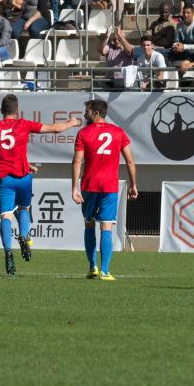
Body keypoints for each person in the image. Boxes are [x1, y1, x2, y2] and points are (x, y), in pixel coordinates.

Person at [0, 94, 80, 276]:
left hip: (3, 179)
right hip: (23, 177)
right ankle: (24, 235)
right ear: (17, 111)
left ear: (1, 111)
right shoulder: (23, 124)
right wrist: (72, 122)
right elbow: (55, 129)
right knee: (24, 209)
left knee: (6, 216)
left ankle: (8, 252)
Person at [71, 99, 137, 280]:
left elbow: (77, 161)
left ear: (96, 113)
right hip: (109, 186)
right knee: (106, 226)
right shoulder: (118, 132)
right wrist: (133, 184)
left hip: (89, 185)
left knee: (89, 224)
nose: (85, 114)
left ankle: (92, 267)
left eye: (87, 111)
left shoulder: (83, 133)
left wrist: (74, 187)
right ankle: (105, 271)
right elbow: (130, 161)